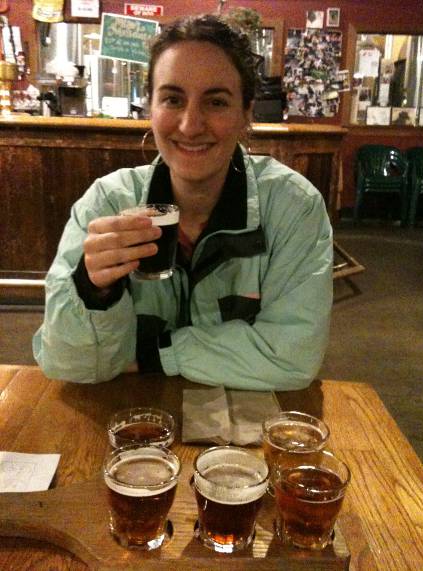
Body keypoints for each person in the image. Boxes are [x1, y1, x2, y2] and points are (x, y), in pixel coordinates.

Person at [33, 14, 333, 391]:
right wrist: (93, 291)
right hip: (133, 420)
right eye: (173, 99)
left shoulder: (293, 207)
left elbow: (292, 357)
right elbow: (65, 364)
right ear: (151, 107)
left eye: (216, 102)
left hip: (250, 423)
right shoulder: (107, 202)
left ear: (246, 113)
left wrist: (156, 355)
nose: (190, 125)